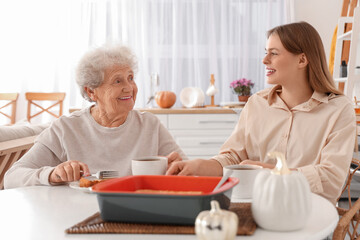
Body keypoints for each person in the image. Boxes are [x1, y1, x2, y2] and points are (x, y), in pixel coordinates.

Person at [166, 21, 356, 205]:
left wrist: (269, 172)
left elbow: (331, 181)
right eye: (266, 53)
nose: (265, 60)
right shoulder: (257, 103)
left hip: (310, 216)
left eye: (273, 53)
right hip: (255, 209)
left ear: (302, 60)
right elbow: (233, 158)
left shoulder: (339, 110)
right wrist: (200, 166)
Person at [5, 44, 187, 188]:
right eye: (118, 80)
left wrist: (179, 169)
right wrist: (52, 174)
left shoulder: (150, 125)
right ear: (91, 91)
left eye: (130, 78)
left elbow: (188, 171)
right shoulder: (66, 128)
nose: (129, 87)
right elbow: (12, 177)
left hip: (136, 214)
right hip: (76, 217)